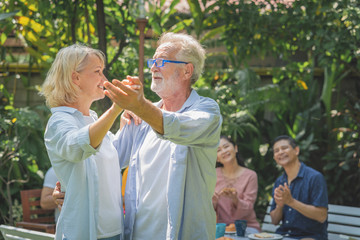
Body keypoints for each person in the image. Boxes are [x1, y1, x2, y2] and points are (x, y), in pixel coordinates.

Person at [103, 32, 222, 240]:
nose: (153, 67)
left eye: (162, 61)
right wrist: (69, 189)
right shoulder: (140, 118)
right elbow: (108, 160)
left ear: (187, 71)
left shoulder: (207, 111)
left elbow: (176, 126)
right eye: (153, 61)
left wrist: (140, 106)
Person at [40, 44, 138, 240]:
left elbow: (118, 157)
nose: (104, 79)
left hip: (115, 232)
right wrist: (114, 110)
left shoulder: (92, 118)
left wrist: (129, 124)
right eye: (97, 72)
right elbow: (78, 148)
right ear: (75, 78)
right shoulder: (59, 122)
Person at [270, 135, 328, 240]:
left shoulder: (314, 177)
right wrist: (280, 206)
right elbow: (274, 221)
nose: (280, 152)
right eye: (276, 150)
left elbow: (321, 216)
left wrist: (291, 202)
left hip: (310, 236)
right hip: (282, 235)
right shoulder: (279, 181)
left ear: (296, 150)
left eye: (284, 148)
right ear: (274, 157)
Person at [212, 135, 261, 234]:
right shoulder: (212, 174)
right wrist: (213, 201)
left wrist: (235, 199)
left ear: (235, 148)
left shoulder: (250, 175)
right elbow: (207, 208)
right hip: (220, 228)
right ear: (216, 158)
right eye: (218, 150)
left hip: (246, 227)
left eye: (226, 147)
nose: (224, 151)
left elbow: (248, 208)